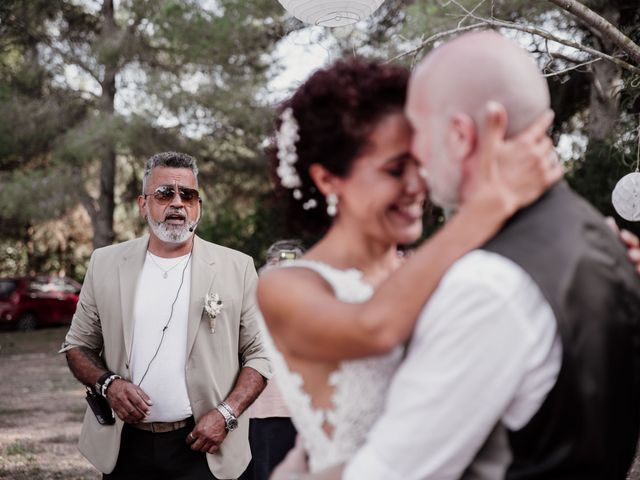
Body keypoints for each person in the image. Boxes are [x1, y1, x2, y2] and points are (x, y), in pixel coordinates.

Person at [274, 32, 640, 480]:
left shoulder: (487, 285)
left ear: (462, 135)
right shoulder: (590, 235)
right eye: (396, 166)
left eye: (420, 140)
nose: (419, 174)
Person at [61, 152, 271, 480]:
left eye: (188, 195)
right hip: (126, 447)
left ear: (198, 205)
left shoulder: (237, 267)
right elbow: (77, 346)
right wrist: (109, 385)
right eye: (164, 193)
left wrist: (226, 415)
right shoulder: (105, 263)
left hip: (208, 446)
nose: (177, 203)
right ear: (142, 204)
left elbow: (261, 355)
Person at [240, 240, 305, 480]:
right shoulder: (253, 299)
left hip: (299, 411)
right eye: (277, 262)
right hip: (259, 409)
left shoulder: (313, 302)